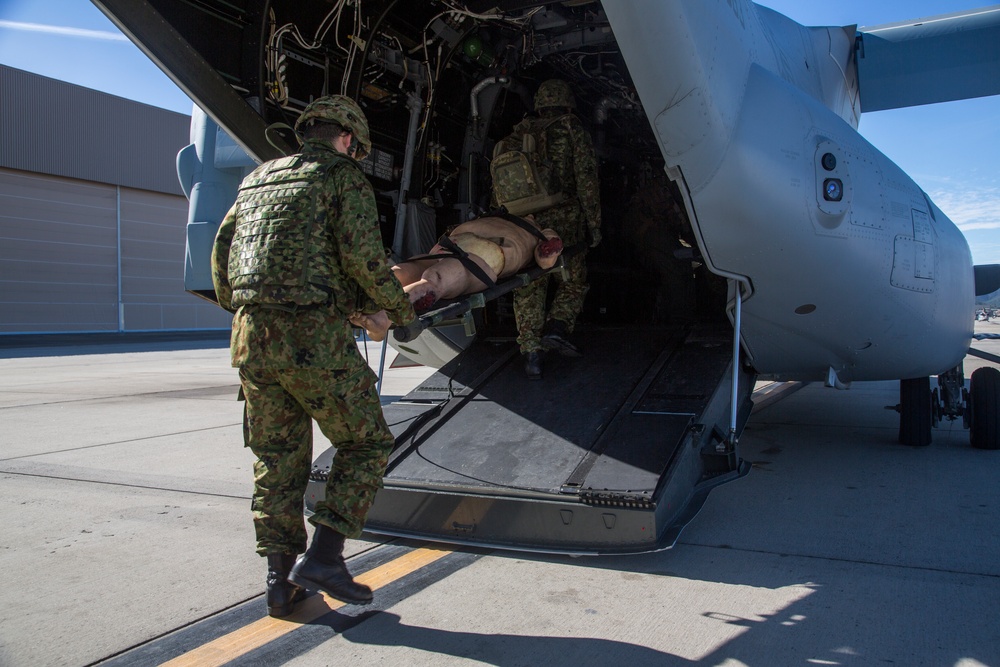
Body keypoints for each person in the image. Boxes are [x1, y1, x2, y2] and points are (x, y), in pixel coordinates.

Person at [211, 95, 415, 617]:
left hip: (251, 341)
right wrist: (398, 311)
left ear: (307, 132)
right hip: (313, 340)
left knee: (276, 460)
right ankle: (325, 557)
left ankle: (279, 582)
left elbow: (221, 258)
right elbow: (365, 260)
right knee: (367, 442)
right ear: (348, 139)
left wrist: (254, 314)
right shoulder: (343, 177)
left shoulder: (258, 179)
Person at [494, 79, 601, 379]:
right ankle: (557, 327)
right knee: (573, 279)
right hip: (564, 219)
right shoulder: (571, 129)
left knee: (529, 283)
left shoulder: (519, 133)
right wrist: (595, 227)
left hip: (523, 220)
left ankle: (530, 352)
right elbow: (587, 182)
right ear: (567, 102)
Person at [351, 214, 564, 341]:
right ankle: (374, 309)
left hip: (472, 250)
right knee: (416, 275)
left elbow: (547, 256)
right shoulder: (532, 227)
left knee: (425, 276)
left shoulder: (522, 224)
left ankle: (384, 316)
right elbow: (547, 257)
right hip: (470, 248)